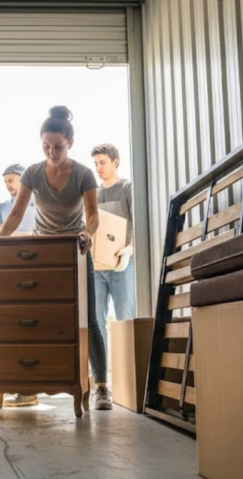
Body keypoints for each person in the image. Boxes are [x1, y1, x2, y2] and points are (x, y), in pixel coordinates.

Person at [0, 105, 111, 410]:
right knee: (39, 321)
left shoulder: (84, 175)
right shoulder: (33, 173)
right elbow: (16, 214)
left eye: (58, 146)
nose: (52, 151)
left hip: (75, 250)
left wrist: (87, 233)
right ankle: (31, 387)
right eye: (46, 146)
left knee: (89, 318)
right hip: (41, 253)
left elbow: (94, 216)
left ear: (70, 142)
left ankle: (100, 386)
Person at [92, 143, 135, 354]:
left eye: (103, 162)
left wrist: (130, 250)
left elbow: (137, 222)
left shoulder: (127, 188)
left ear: (115, 162)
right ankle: (101, 378)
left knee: (125, 317)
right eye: (96, 163)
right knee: (96, 319)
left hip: (122, 264)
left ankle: (129, 372)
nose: (98, 167)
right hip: (98, 265)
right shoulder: (94, 195)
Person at [0, 164, 37, 233]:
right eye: (5, 182)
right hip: (8, 244)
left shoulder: (39, 205)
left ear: (23, 180)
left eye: (10, 181)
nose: (7, 185)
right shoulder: (2, 207)